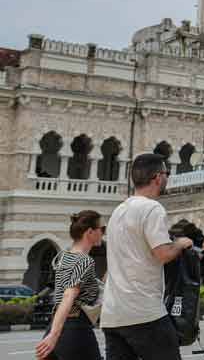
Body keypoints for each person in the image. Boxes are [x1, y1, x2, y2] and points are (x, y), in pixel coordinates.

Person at [101, 153, 194, 360]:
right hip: (144, 313)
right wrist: (180, 243)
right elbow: (162, 253)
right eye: (167, 173)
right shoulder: (152, 208)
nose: (167, 178)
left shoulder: (118, 211)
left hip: (113, 315)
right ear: (158, 177)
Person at [35, 211, 105, 360]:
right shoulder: (84, 261)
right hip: (76, 331)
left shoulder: (64, 256)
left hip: (57, 327)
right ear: (90, 232)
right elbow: (68, 296)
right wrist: (54, 336)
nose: (103, 233)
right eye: (102, 229)